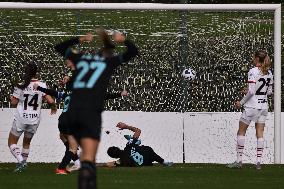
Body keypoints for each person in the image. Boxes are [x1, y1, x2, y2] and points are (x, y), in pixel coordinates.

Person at [54, 28, 138, 188]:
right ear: (109, 54)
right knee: (88, 157)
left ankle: (70, 164)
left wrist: (81, 39)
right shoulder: (109, 63)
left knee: (73, 146)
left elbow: (59, 48)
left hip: (71, 113)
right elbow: (133, 51)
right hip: (90, 114)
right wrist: (123, 40)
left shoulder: (82, 60)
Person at [34, 77, 129, 174]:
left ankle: (77, 162)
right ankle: (61, 168)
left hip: (62, 120)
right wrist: (120, 94)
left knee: (62, 137)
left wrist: (39, 88)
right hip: (71, 121)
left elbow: (53, 92)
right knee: (73, 147)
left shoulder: (67, 94)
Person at [227, 50, 273, 170]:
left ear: (257, 58)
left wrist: (240, 103)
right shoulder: (269, 72)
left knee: (241, 132)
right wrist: (250, 91)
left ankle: (239, 161)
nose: (252, 59)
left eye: (254, 57)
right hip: (263, 107)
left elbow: (252, 91)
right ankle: (258, 163)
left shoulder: (253, 71)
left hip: (251, 107)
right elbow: (269, 92)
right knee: (260, 134)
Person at [8, 63, 57, 172]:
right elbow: (50, 100)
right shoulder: (41, 85)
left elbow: (13, 102)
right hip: (34, 119)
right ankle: (22, 165)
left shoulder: (21, 85)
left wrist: (11, 97)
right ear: (36, 72)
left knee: (11, 142)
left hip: (21, 118)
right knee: (26, 143)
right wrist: (53, 107)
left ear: (26, 72)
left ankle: (21, 162)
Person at [105, 122, 173, 167]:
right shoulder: (128, 146)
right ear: (118, 148)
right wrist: (126, 126)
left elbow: (108, 164)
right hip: (148, 154)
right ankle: (163, 161)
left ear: (114, 157)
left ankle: (136, 142)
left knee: (139, 155)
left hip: (146, 163)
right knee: (146, 149)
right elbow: (138, 130)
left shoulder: (121, 161)